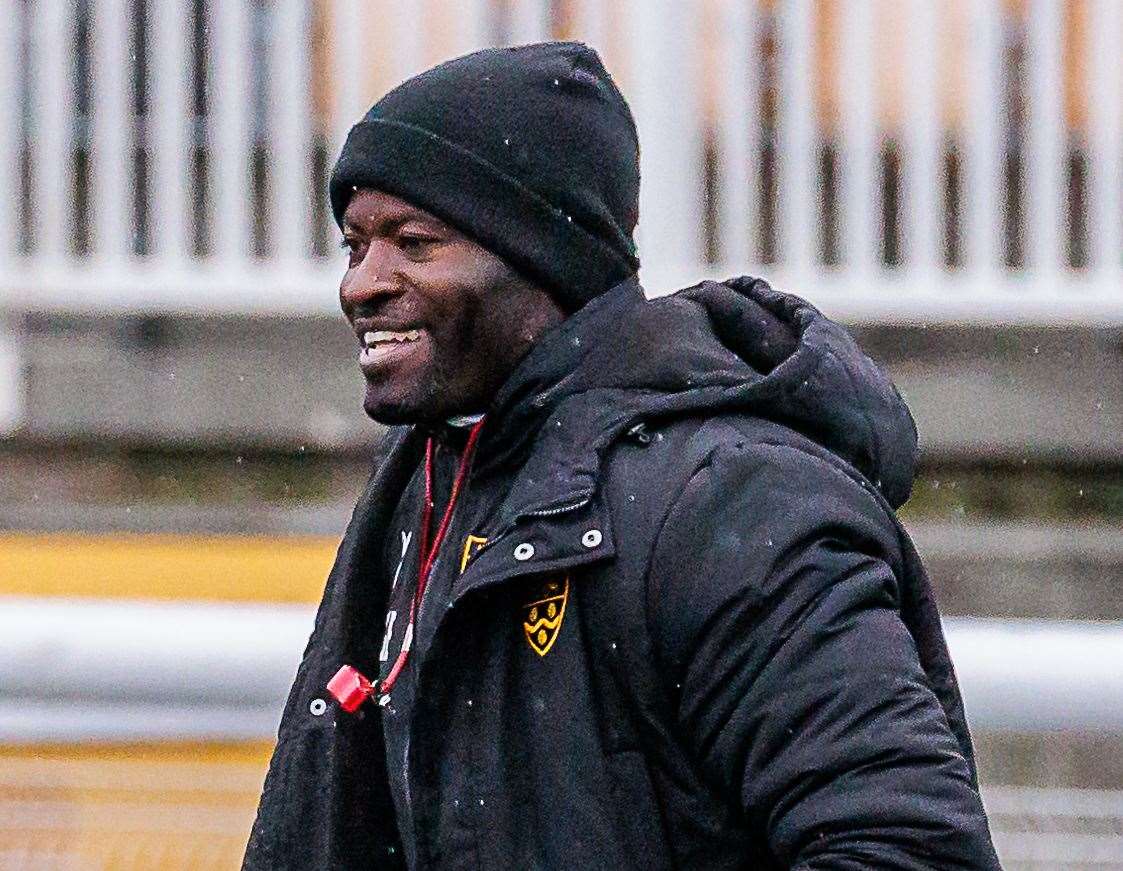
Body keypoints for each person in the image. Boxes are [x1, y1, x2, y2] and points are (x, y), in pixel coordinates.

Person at [243, 41, 1000, 870]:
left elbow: (908, 849)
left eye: (413, 242)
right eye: (355, 245)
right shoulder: (431, 480)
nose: (362, 283)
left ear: (540, 257)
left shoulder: (730, 499)